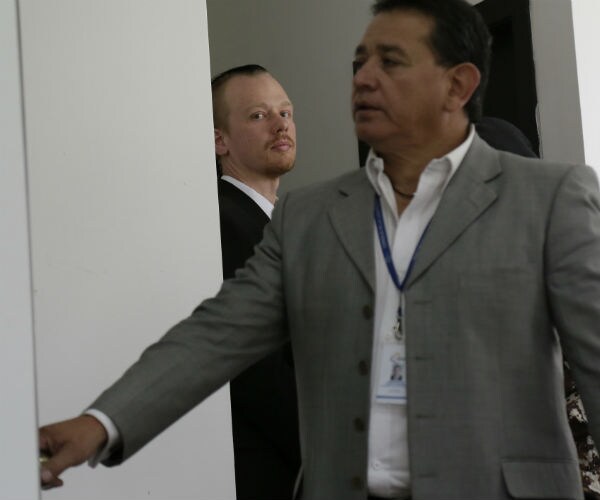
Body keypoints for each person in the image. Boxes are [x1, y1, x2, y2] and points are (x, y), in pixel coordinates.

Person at [38, 1, 600, 499]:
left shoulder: (550, 198)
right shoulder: (308, 216)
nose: (364, 79)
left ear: (457, 85)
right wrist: (101, 423)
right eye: (360, 63)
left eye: (390, 62)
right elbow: (217, 334)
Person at [211, 64, 301, 500]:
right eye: (258, 115)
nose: (281, 124)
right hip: (270, 472)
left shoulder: (282, 225)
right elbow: (257, 370)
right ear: (219, 140)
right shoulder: (223, 223)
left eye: (286, 112)